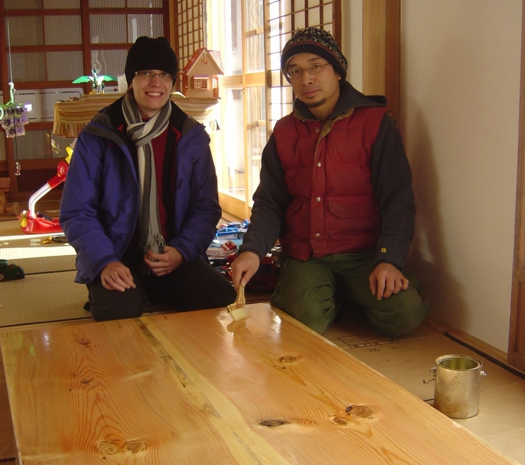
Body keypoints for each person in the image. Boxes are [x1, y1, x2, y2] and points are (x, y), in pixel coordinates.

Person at [231, 27, 430, 336]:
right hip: (306, 255)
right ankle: (314, 293)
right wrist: (252, 250)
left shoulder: (376, 123)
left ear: (337, 70)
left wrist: (389, 260)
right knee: (306, 322)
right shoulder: (284, 132)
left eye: (315, 66)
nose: (306, 79)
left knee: (405, 314)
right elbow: (270, 202)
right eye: (295, 71)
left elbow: (398, 199)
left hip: (364, 254)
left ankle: (346, 299)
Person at [60, 36, 235, 321]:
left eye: (164, 75)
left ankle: (152, 287)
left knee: (220, 296)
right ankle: (124, 287)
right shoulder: (99, 134)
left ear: (172, 82)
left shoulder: (189, 135)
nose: (156, 82)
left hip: (170, 252)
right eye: (146, 73)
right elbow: (77, 211)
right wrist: (104, 261)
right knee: (119, 312)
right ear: (131, 80)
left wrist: (181, 251)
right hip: (115, 252)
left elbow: (205, 207)